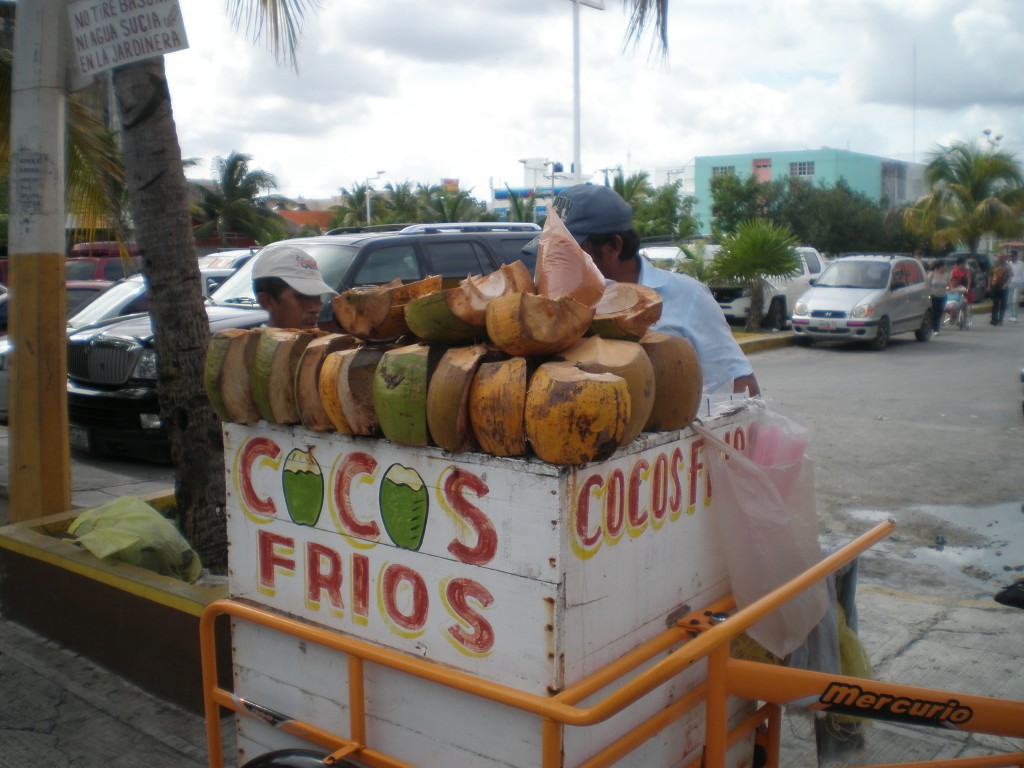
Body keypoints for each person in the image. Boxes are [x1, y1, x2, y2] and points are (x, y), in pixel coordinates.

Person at [526, 183, 760, 397]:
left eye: (567, 250)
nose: (554, 261)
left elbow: (743, 386)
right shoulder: (559, 306)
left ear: (613, 246)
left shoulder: (689, 297)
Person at [251, 245, 337, 329]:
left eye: (318, 296)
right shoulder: (252, 343)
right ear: (267, 302)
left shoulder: (319, 342)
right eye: (303, 297)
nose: (316, 309)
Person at [986, 253, 1010, 326]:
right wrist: (989, 286)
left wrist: (1006, 284)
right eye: (998, 257)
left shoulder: (1008, 266)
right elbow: (990, 276)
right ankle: (994, 319)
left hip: (1004, 287)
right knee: (995, 303)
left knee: (1003, 304)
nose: (999, 258)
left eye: (1001, 257)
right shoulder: (994, 266)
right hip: (995, 286)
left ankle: (1001, 319)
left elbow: (1010, 277)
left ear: (1004, 258)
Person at [926, 259, 947, 334]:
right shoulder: (932, 274)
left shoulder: (946, 275)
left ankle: (936, 329)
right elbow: (928, 285)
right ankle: (933, 327)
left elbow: (950, 285)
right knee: (934, 312)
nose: (946, 268)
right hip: (933, 296)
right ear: (940, 267)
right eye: (945, 266)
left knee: (939, 312)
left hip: (943, 296)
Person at [1007, 250, 1024, 322]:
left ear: (1016, 256)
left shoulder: (1022, 264)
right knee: (1010, 301)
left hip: (1018, 284)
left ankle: (1015, 315)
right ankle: (1011, 315)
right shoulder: (1008, 264)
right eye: (1009, 256)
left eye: (1012, 256)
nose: (1010, 257)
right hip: (1010, 284)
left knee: (1015, 301)